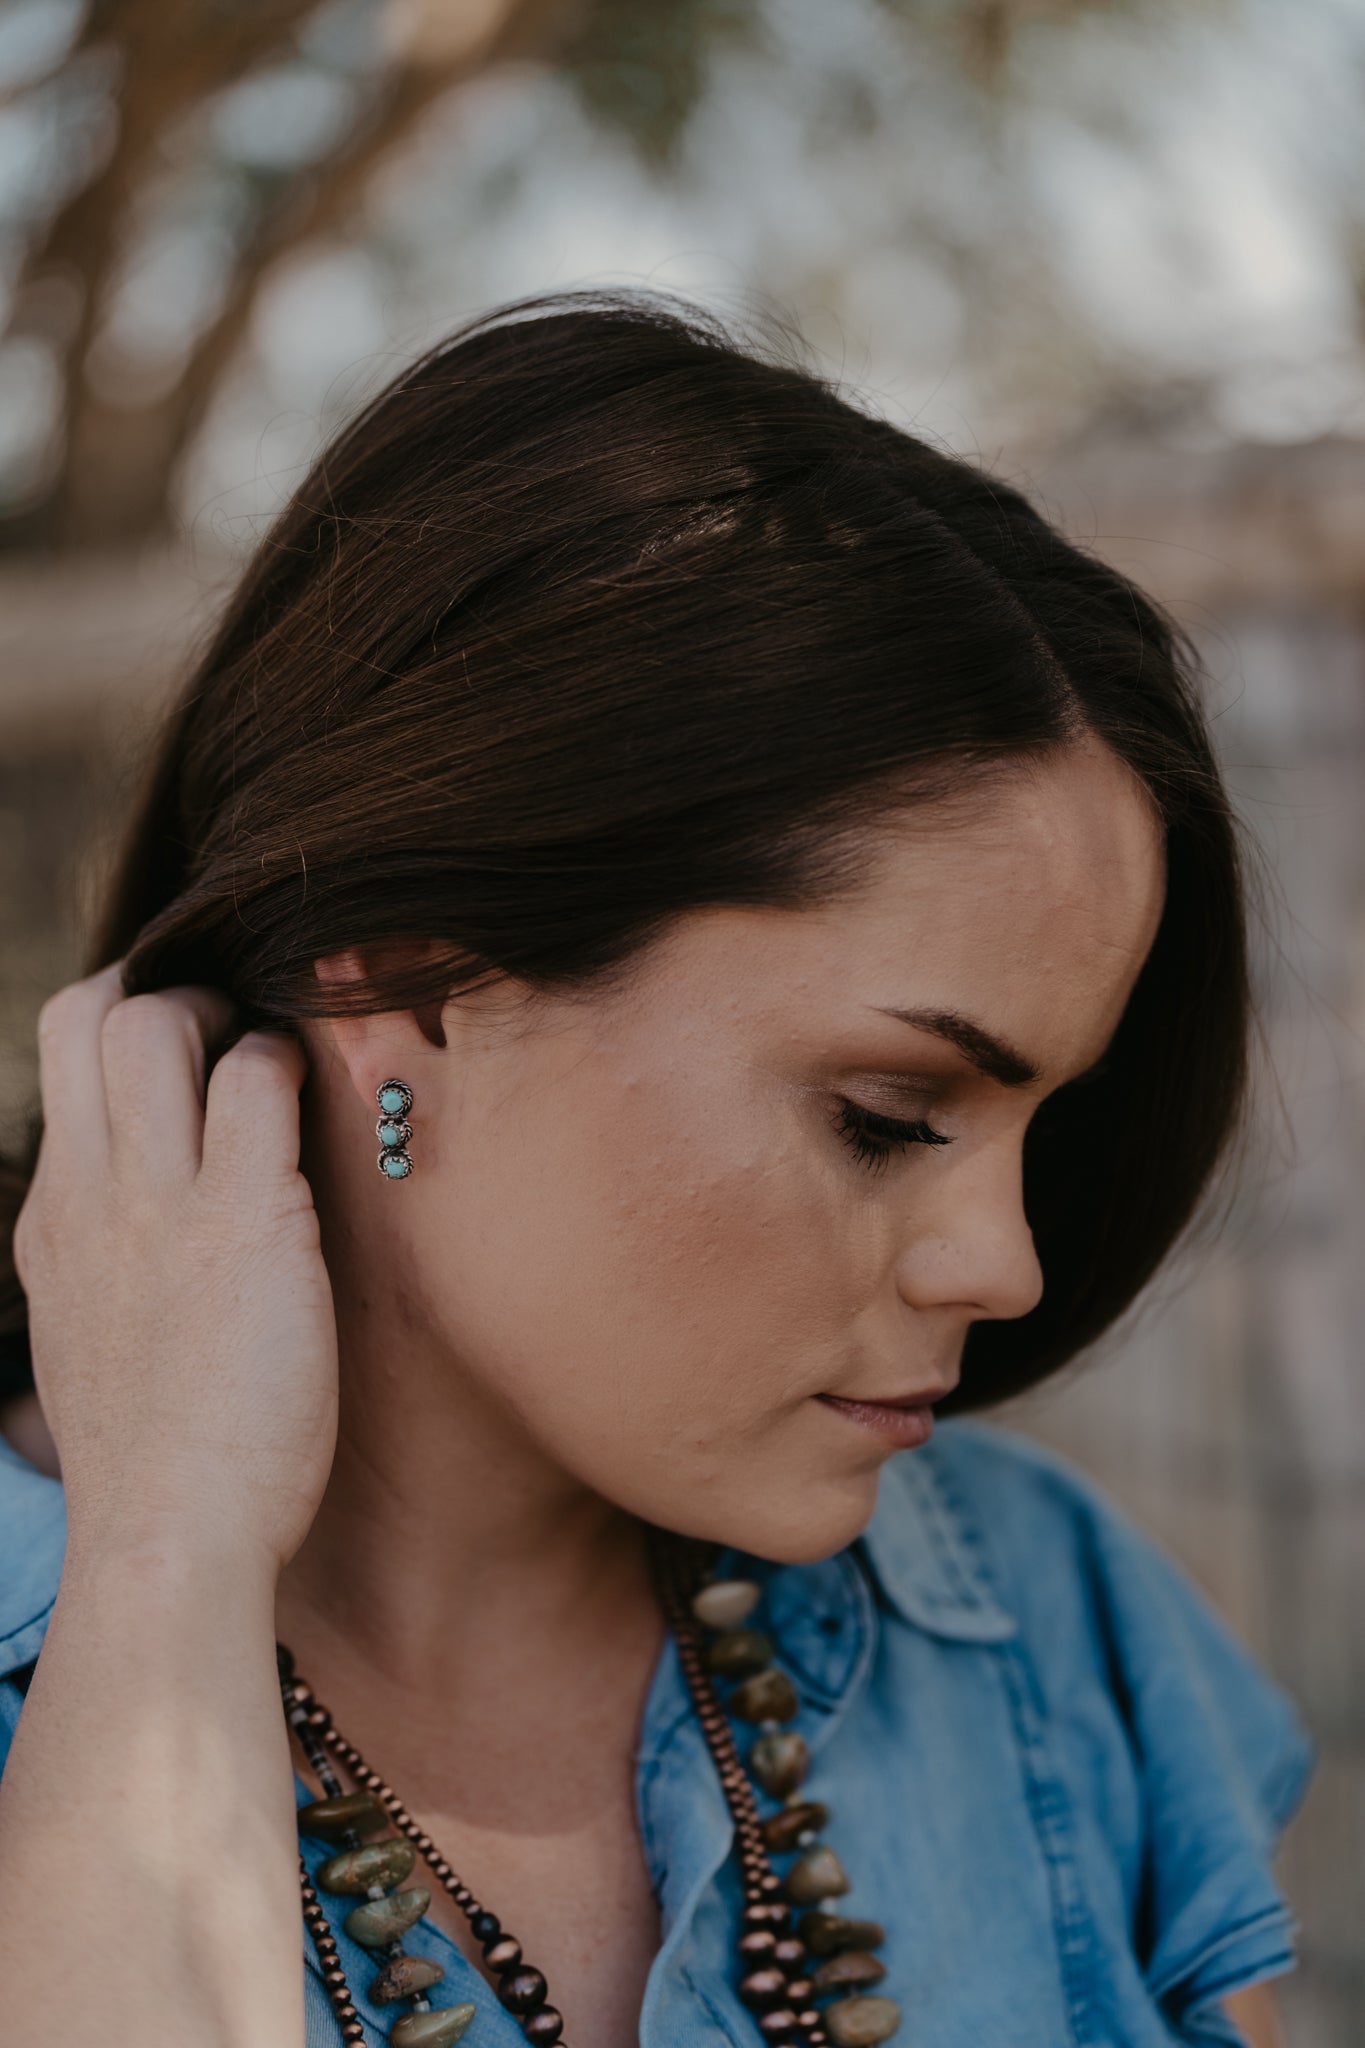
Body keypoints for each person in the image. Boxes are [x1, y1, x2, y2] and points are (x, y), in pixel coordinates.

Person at [0, 290, 1313, 2048]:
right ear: (398, 977)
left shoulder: (1044, 1617)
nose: (1002, 1265)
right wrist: (163, 1568)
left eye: (1042, 1124)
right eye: (889, 1113)